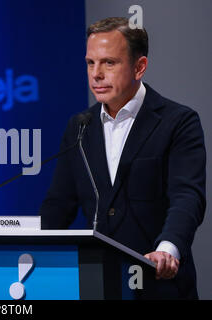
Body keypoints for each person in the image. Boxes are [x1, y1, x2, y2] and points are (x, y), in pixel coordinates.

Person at [40, 17, 206, 299]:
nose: (96, 74)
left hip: (158, 284)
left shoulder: (178, 122)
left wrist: (168, 249)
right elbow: (59, 204)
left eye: (109, 63)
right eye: (90, 63)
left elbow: (187, 196)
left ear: (139, 67)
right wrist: (24, 243)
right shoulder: (80, 126)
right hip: (96, 284)